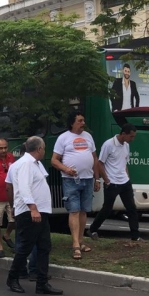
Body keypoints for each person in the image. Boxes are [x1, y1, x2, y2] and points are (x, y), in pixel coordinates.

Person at [5, 137, 62, 295]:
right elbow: (23, 187)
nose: (44, 151)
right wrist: (33, 208)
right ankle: (12, 278)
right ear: (39, 149)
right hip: (31, 212)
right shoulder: (26, 164)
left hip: (40, 212)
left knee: (44, 247)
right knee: (24, 248)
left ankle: (42, 282)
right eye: (43, 148)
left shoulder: (34, 164)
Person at [51, 111, 100, 260]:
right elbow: (54, 160)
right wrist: (66, 169)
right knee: (74, 211)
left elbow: (95, 159)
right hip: (70, 180)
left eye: (83, 120)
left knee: (84, 211)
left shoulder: (88, 137)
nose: (83, 123)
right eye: (80, 121)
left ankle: (81, 241)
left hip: (87, 179)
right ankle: (75, 246)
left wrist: (97, 179)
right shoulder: (63, 138)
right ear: (72, 123)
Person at [88, 123, 141, 243]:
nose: (132, 139)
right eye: (131, 136)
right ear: (123, 134)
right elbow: (100, 163)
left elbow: (124, 162)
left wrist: (127, 176)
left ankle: (135, 236)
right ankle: (93, 229)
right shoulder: (109, 144)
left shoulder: (126, 145)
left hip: (125, 182)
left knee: (132, 208)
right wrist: (106, 180)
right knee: (107, 208)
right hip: (112, 182)